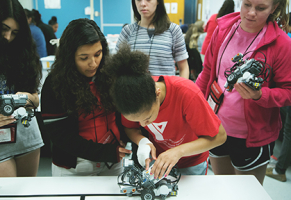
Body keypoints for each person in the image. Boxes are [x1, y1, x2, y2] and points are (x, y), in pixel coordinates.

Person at [195, 0, 291, 185]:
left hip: (251, 137)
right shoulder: (223, 29)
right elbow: (207, 73)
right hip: (217, 128)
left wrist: (260, 95)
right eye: (247, 4)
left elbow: (288, 91)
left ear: (274, 8)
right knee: (223, 189)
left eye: (261, 8)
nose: (251, 13)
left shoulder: (281, 44)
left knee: (246, 194)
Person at [104, 43, 227, 178]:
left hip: (191, 162)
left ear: (157, 94)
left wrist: (178, 151)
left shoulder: (187, 94)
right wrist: (142, 141)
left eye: (147, 118)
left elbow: (219, 137)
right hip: (158, 162)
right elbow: (130, 128)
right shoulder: (130, 99)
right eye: (138, 121)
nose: (144, 125)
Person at [41, 18, 131, 176]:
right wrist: (104, 152)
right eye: (84, 58)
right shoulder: (55, 83)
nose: (93, 63)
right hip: (75, 167)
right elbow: (60, 136)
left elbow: (122, 113)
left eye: (98, 54)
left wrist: (123, 137)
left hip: (112, 161)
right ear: (70, 56)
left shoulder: (110, 72)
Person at [0, 0, 43, 177]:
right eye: (3, 29)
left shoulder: (22, 51)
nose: (8, 37)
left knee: (27, 194)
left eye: (15, 32)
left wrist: (28, 98)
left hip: (26, 134)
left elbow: (35, 98)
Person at [116, 0, 189, 79]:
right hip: (134, 89)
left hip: (166, 89)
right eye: (139, 0)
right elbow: (117, 66)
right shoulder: (128, 31)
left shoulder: (173, 30)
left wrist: (181, 90)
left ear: (158, 1)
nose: (143, 3)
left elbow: (183, 68)